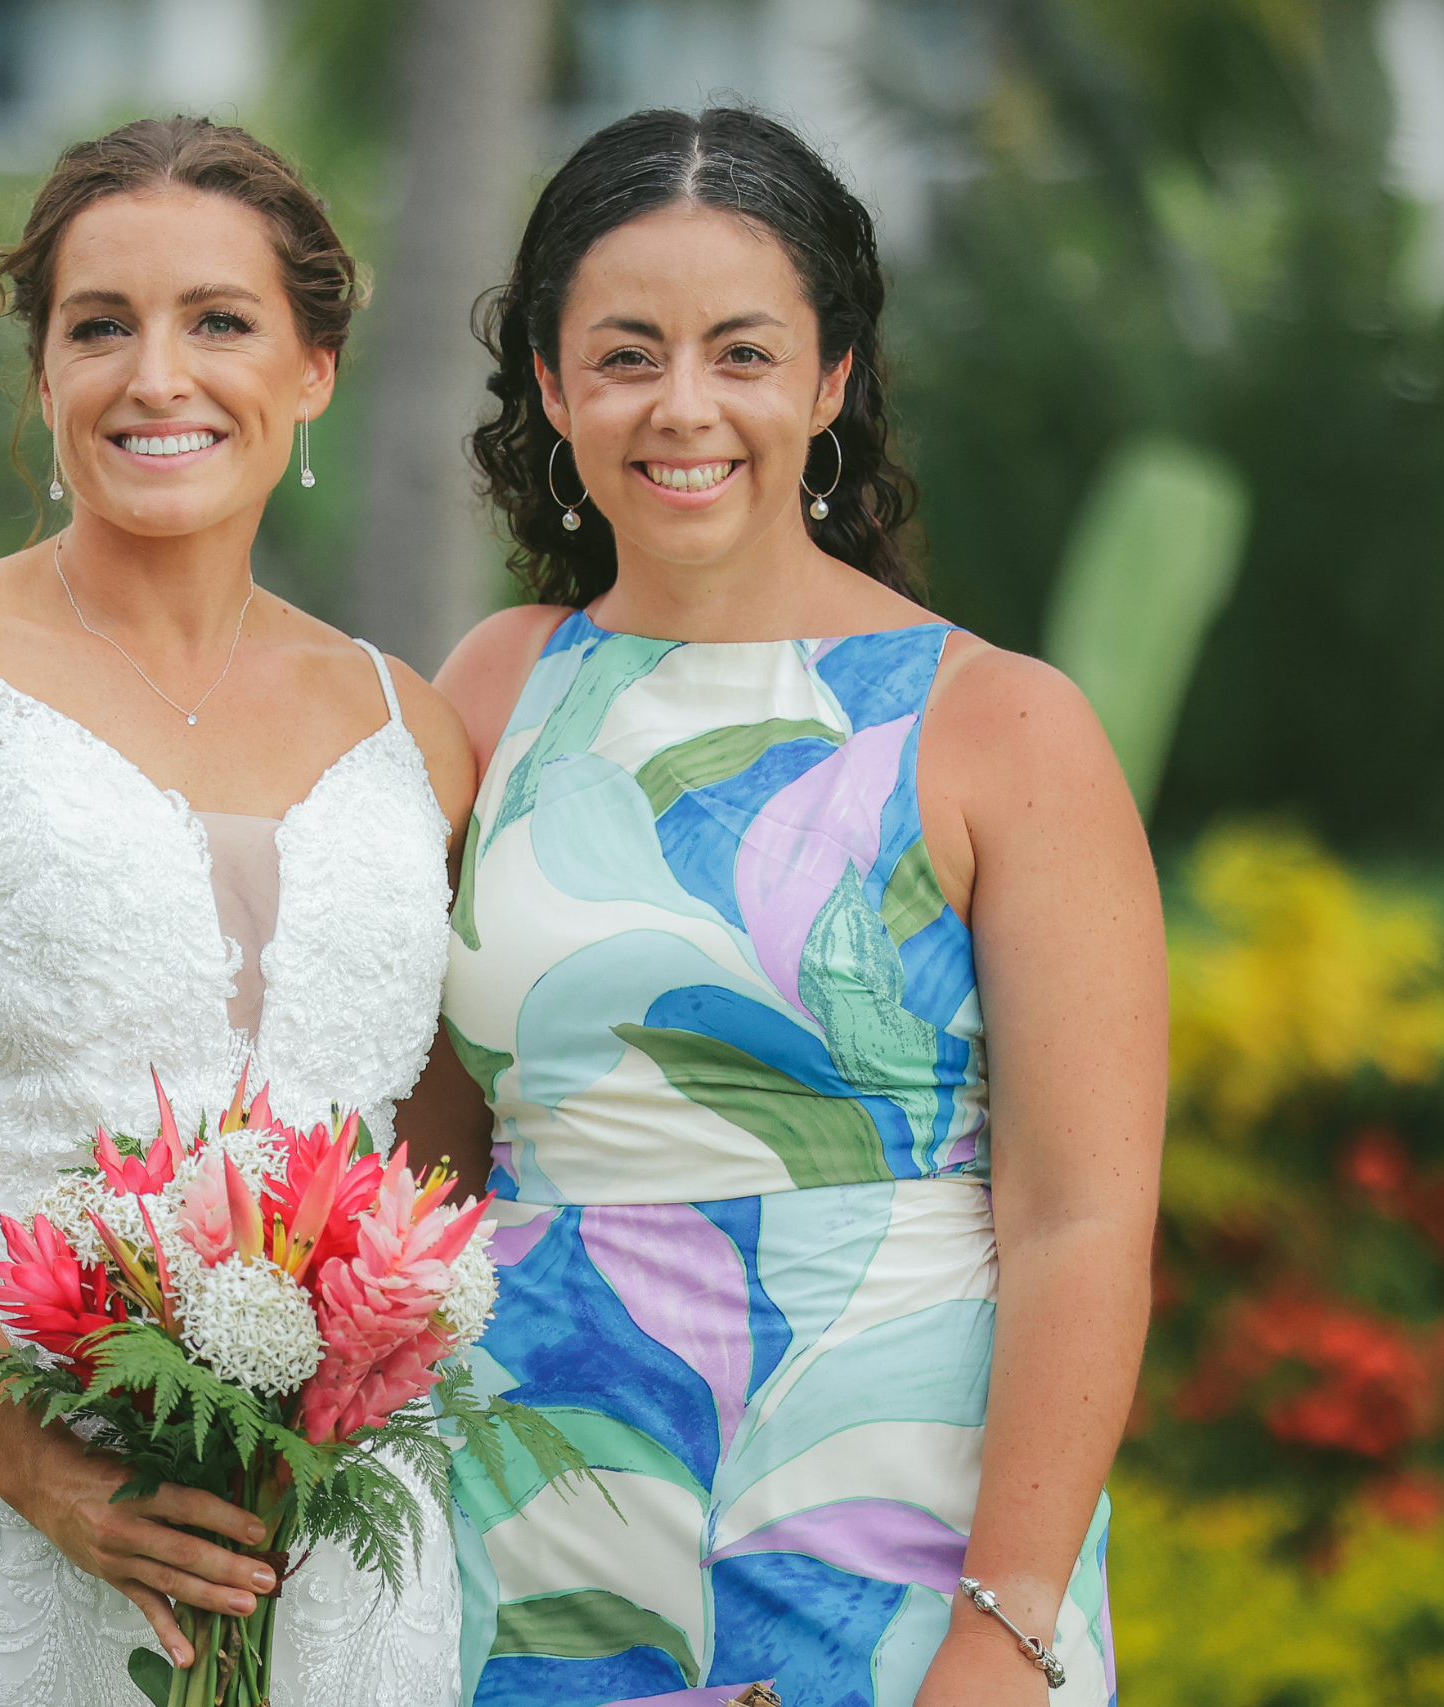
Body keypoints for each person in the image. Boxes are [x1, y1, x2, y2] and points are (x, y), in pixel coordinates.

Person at [0, 116, 477, 1707]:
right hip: (2, 1498)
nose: (156, 377)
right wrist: (45, 1471)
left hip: (338, 1526)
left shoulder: (416, 730)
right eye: (99, 326)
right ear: (43, 370)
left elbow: (438, 1148)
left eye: (220, 321)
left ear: (314, 368)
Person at [423, 108, 1166, 1706]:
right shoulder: (490, 690)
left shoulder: (1000, 725)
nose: (683, 406)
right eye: (627, 355)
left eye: (742, 352)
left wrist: (1009, 1628)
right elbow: (412, 1156)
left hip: (889, 1535)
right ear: (551, 384)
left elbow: (1082, 1220)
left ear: (832, 378)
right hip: (524, 1519)